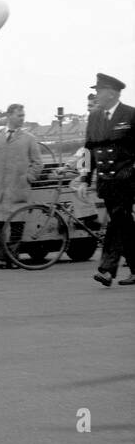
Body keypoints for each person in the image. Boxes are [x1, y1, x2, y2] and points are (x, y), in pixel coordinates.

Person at [82, 73, 135, 286]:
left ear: (112, 93)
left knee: (119, 217)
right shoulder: (94, 117)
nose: (96, 95)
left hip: (127, 179)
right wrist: (85, 179)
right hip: (106, 182)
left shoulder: (130, 115)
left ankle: (106, 269)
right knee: (122, 222)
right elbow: (88, 150)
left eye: (99, 91)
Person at [0, 104, 43, 269]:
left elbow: (38, 163)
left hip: (18, 189)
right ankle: (0, 258)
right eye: (19, 115)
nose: (22, 118)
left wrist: (28, 178)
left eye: (23, 115)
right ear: (9, 116)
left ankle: (13, 259)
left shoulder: (29, 138)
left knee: (16, 224)